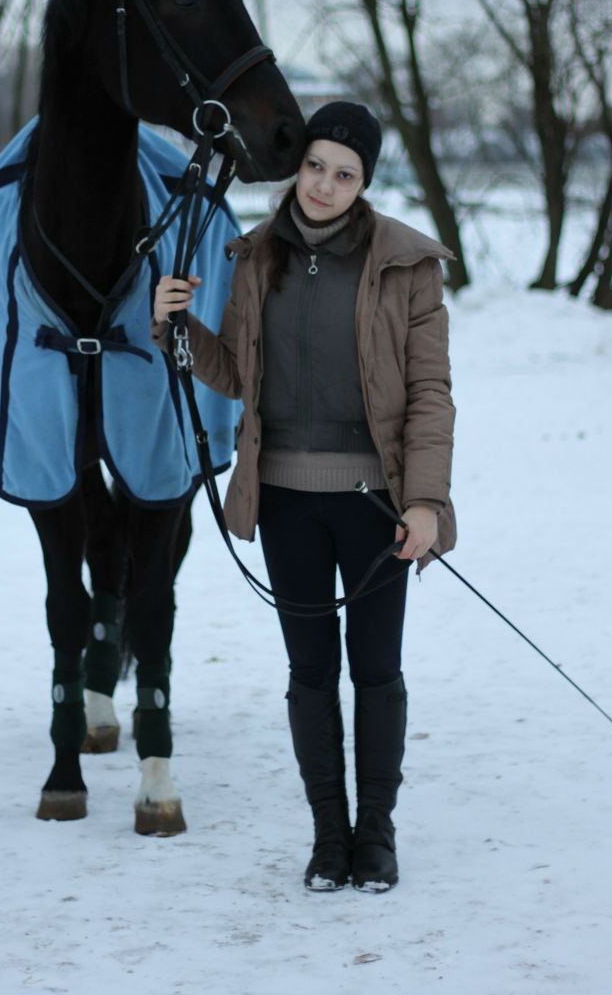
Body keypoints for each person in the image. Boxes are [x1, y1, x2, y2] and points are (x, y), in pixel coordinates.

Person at [152, 101, 456, 893]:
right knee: (310, 672)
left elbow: (430, 394)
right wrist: (177, 332)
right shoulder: (255, 256)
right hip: (285, 497)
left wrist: (424, 503)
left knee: (376, 670)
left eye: (345, 174)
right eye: (316, 165)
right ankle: (329, 836)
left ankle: (376, 836)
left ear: (365, 183)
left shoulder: (407, 265)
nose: (324, 185)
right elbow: (236, 375)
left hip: (377, 507)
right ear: (300, 166)